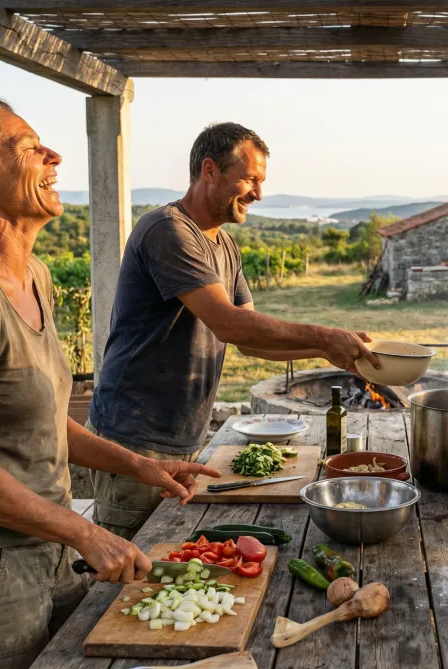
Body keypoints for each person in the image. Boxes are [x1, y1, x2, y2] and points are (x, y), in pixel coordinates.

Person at [0, 97, 221, 669]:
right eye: (28, 146)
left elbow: (39, 423)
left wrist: (138, 465)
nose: (54, 155)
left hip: (45, 550)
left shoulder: (33, 275)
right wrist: (86, 534)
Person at [87, 122, 380, 539]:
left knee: (164, 561)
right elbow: (226, 322)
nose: (258, 194)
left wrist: (327, 353)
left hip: (182, 435)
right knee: (124, 568)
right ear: (209, 170)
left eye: (261, 182)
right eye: (250, 179)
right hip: (135, 440)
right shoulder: (168, 230)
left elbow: (248, 340)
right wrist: (321, 335)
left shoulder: (224, 245)